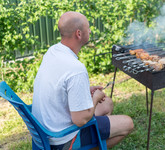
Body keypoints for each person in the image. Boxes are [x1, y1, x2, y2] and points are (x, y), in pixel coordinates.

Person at [32, 11, 134, 149]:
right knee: (128, 123)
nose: (90, 30)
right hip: (63, 138)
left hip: (47, 127)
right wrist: (95, 98)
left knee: (107, 104)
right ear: (79, 34)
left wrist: (85, 90)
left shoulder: (53, 51)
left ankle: (96, 136)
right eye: (88, 27)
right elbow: (80, 120)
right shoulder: (76, 69)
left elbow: (60, 85)